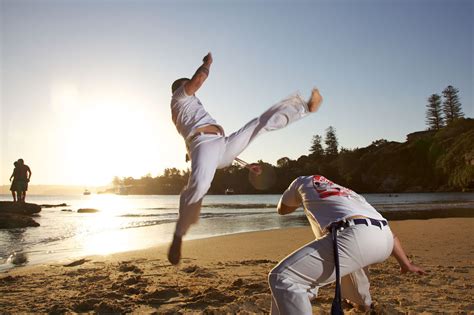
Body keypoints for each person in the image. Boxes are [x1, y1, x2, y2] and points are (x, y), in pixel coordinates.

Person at [168, 52, 323, 265]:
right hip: (203, 144)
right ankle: (178, 235)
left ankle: (304, 106)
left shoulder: (188, 108)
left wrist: (245, 164)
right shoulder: (179, 97)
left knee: (257, 124)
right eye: (188, 87)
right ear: (179, 88)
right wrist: (207, 64)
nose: (194, 91)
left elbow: (208, 150)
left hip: (220, 146)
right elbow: (197, 80)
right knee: (199, 186)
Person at [268, 175, 424, 314]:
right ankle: (362, 304)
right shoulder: (351, 194)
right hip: (385, 239)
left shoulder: (301, 182)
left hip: (355, 235)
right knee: (346, 253)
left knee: (283, 277)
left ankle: (359, 302)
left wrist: (300, 199)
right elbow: (391, 235)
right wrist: (406, 264)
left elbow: (282, 209)